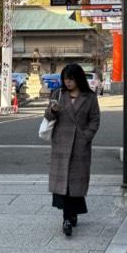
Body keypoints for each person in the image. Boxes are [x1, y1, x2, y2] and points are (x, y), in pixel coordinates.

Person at [44, 63, 100, 237]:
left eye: (71, 79)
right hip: (61, 143)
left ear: (78, 79)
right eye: (65, 79)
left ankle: (72, 214)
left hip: (80, 145)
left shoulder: (89, 97)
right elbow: (47, 116)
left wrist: (86, 137)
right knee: (63, 183)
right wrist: (51, 111)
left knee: (75, 182)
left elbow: (95, 119)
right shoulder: (59, 94)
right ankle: (66, 218)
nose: (67, 82)